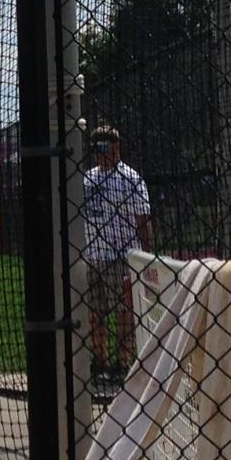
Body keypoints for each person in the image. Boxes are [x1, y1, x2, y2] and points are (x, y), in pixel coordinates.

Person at [83, 125, 152, 389]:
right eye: (96, 148)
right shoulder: (88, 178)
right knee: (95, 312)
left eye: (105, 147)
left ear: (116, 147)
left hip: (121, 256)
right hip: (94, 256)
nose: (100, 153)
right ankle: (100, 362)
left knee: (124, 313)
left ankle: (123, 364)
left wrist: (146, 256)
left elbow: (143, 220)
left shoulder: (130, 178)